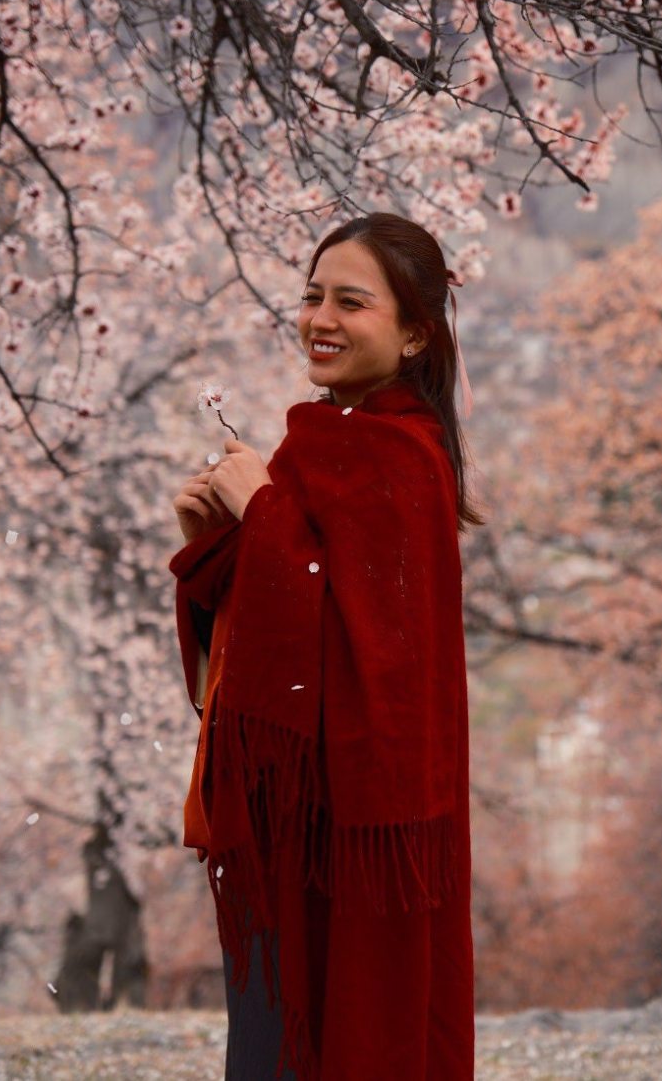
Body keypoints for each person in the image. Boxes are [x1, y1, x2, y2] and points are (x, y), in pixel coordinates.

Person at [169, 212, 485, 1081]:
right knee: (270, 1049)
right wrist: (212, 542)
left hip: (357, 838)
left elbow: (370, 648)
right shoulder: (314, 444)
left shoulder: (404, 462)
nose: (321, 319)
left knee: (343, 1045)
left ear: (415, 332)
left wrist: (261, 508)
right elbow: (265, 629)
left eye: (352, 302)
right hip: (281, 827)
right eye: (312, 297)